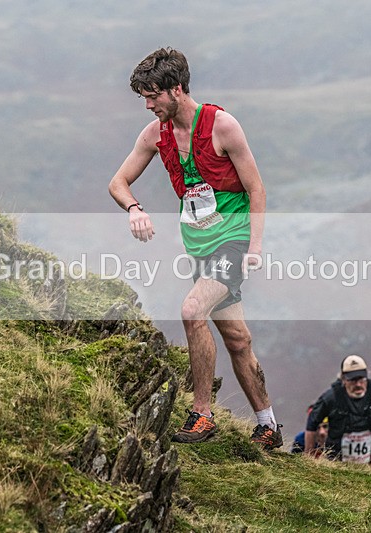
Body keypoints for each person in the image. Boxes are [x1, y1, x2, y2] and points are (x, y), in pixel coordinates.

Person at [108, 48, 282, 449]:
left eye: (153, 96)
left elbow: (256, 188)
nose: (148, 105)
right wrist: (134, 209)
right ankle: (269, 426)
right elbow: (118, 183)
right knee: (237, 340)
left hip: (234, 241)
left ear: (177, 89)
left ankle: (202, 414)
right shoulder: (155, 135)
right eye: (144, 98)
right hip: (200, 249)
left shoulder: (223, 126)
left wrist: (255, 247)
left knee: (191, 310)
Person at [304, 355, 371, 466]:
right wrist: (309, 457)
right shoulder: (330, 398)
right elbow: (312, 423)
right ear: (343, 379)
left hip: (369, 460)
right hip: (335, 461)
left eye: (361, 379)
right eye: (353, 380)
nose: (358, 384)